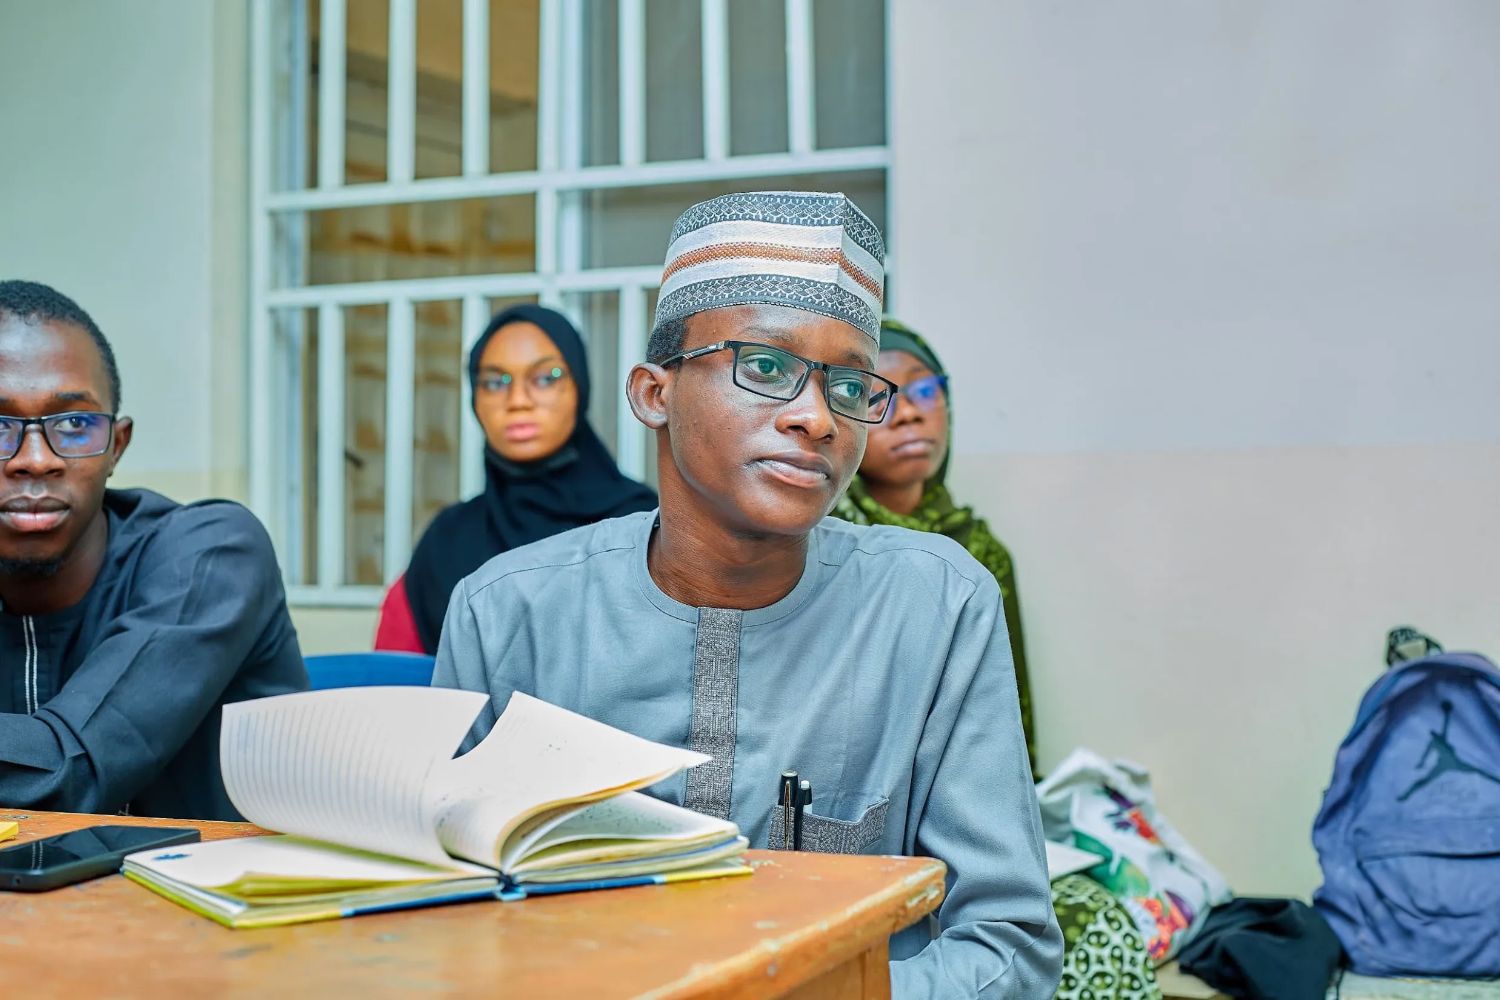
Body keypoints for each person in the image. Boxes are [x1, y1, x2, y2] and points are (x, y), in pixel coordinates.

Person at [433, 192, 1063, 997]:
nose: (817, 418)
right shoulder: (507, 614)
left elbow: (1010, 945)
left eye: (849, 386)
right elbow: (449, 916)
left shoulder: (935, 610)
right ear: (654, 393)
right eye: (765, 367)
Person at [833, 319, 1160, 999]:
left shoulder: (981, 551)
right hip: (862, 821)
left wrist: (1018, 830)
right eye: (882, 394)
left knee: (1100, 921)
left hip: (974, 815)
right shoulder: (831, 546)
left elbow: (1013, 719)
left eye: (926, 388)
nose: (913, 410)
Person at [0, 279, 306, 820]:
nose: (35, 459)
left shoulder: (213, 554)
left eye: (72, 424)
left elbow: (68, 770)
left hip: (212, 899)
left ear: (117, 446)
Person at [375, 304, 656, 654]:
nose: (518, 400)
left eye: (545, 378)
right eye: (495, 382)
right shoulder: (447, 538)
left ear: (579, 387)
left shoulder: (643, 526)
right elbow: (400, 683)